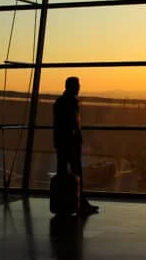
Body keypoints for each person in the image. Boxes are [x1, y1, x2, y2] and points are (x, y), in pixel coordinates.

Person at [53, 76, 99, 214]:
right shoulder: (72, 103)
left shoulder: (59, 103)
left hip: (62, 143)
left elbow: (58, 126)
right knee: (77, 174)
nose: (79, 88)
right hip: (71, 144)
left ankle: (62, 203)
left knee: (62, 172)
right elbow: (73, 125)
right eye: (77, 85)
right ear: (72, 87)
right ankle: (80, 203)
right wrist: (77, 139)